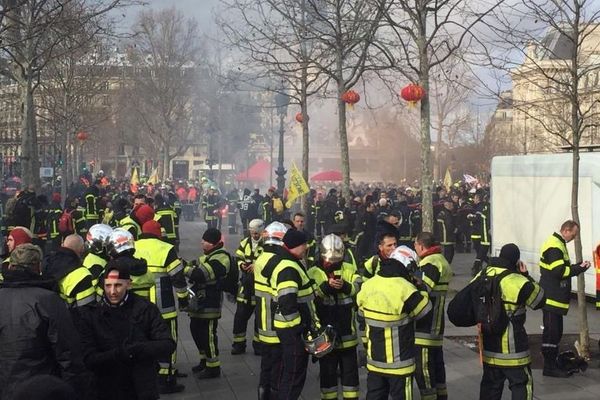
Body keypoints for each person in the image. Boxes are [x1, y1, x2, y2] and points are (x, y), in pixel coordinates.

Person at [79, 261, 176, 400]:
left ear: (129, 284)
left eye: (118, 285)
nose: (112, 291)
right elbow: (88, 358)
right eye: (108, 286)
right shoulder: (92, 315)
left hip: (141, 388)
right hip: (107, 388)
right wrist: (119, 354)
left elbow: (167, 344)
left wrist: (138, 349)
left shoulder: (145, 309)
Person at [0, 243, 85, 399]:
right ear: (38, 267)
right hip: (40, 389)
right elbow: (67, 352)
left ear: (10, 266)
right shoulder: (48, 300)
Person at [357, 244, 431, 400]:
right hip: (400, 366)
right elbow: (424, 312)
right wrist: (422, 288)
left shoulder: (368, 285)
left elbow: (361, 318)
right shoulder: (405, 288)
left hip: (374, 363)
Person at [476, 243, 545, 400]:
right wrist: (526, 275)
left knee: (490, 387)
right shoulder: (517, 281)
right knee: (521, 384)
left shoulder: (483, 275)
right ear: (516, 261)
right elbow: (539, 300)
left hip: (489, 347)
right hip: (514, 349)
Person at [263, 228, 321, 400]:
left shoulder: (286, 261)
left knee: (287, 371)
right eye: (305, 245)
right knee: (294, 373)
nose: (306, 249)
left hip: (286, 327)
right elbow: (288, 302)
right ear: (298, 245)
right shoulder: (288, 268)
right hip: (291, 329)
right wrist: (299, 327)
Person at [135, 219, 188, 394]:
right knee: (167, 339)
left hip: (139, 305)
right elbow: (177, 278)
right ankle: (166, 378)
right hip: (163, 304)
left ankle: (148, 375)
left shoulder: (132, 247)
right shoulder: (166, 249)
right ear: (158, 233)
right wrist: (183, 298)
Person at [308, 234, 361, 400]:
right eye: (330, 260)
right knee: (328, 375)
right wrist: (326, 287)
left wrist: (345, 286)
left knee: (350, 377)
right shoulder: (313, 272)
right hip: (325, 333)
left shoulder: (349, 268)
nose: (333, 263)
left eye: (336, 260)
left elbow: (360, 289)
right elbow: (310, 298)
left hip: (347, 332)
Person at [539, 220, 590, 377]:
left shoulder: (558, 243)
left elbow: (561, 268)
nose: (574, 238)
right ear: (566, 230)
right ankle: (549, 367)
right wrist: (579, 268)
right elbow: (559, 272)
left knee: (555, 332)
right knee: (552, 333)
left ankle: (552, 364)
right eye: (573, 234)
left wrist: (578, 266)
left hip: (554, 298)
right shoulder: (554, 246)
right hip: (551, 298)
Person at [184, 228, 231, 379]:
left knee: (208, 333)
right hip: (200, 300)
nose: (202, 242)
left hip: (211, 301)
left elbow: (200, 274)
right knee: (195, 329)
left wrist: (185, 268)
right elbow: (194, 265)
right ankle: (204, 360)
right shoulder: (208, 256)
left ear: (213, 243)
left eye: (205, 241)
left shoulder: (221, 258)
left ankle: (213, 366)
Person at [413, 233, 453, 400]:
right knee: (437, 368)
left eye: (415, 245)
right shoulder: (439, 260)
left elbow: (423, 291)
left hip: (425, 327)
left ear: (421, 246)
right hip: (435, 325)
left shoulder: (431, 263)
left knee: (424, 371)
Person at [254, 221, 288, 400]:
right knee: (279, 367)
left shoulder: (260, 258)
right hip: (277, 323)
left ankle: (263, 395)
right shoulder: (279, 262)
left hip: (263, 322)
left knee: (266, 366)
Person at [232, 218, 264, 355]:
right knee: (240, 316)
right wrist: (241, 265)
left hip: (259, 286)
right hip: (245, 285)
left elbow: (269, 260)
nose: (255, 235)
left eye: (257, 233)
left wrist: (256, 266)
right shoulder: (245, 242)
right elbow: (238, 257)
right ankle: (239, 344)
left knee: (259, 317)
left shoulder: (267, 245)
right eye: (253, 233)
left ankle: (258, 345)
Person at [43, 234, 96, 309]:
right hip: (72, 318)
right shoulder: (82, 274)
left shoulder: (46, 263)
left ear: (62, 245)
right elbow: (88, 309)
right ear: (82, 249)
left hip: (48, 316)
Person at [469, 192, 490, 275]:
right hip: (482, 233)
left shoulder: (479, 207)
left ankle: (476, 267)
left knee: (480, 252)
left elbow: (477, 218)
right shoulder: (486, 206)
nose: (473, 199)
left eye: (474, 198)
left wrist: (470, 217)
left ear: (478, 198)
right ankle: (480, 265)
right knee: (481, 252)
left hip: (478, 233)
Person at [434, 199, 456, 264]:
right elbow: (450, 225)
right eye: (451, 204)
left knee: (449, 253)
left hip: (445, 236)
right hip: (447, 236)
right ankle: (446, 268)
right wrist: (455, 230)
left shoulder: (443, 213)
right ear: (447, 205)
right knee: (449, 253)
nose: (452, 206)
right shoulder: (447, 214)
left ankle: (447, 267)